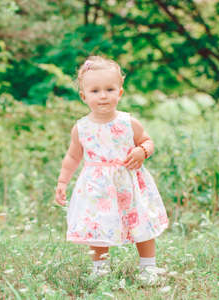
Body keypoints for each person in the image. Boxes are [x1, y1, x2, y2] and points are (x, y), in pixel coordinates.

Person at [55, 56, 168, 277]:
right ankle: (100, 269)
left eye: (110, 89)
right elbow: (72, 156)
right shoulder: (81, 128)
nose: (103, 95)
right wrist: (62, 181)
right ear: (83, 96)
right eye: (95, 91)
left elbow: (148, 141)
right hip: (97, 189)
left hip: (129, 185)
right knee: (98, 227)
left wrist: (142, 151)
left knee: (141, 224)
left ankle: (148, 267)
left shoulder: (128, 122)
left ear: (120, 92)